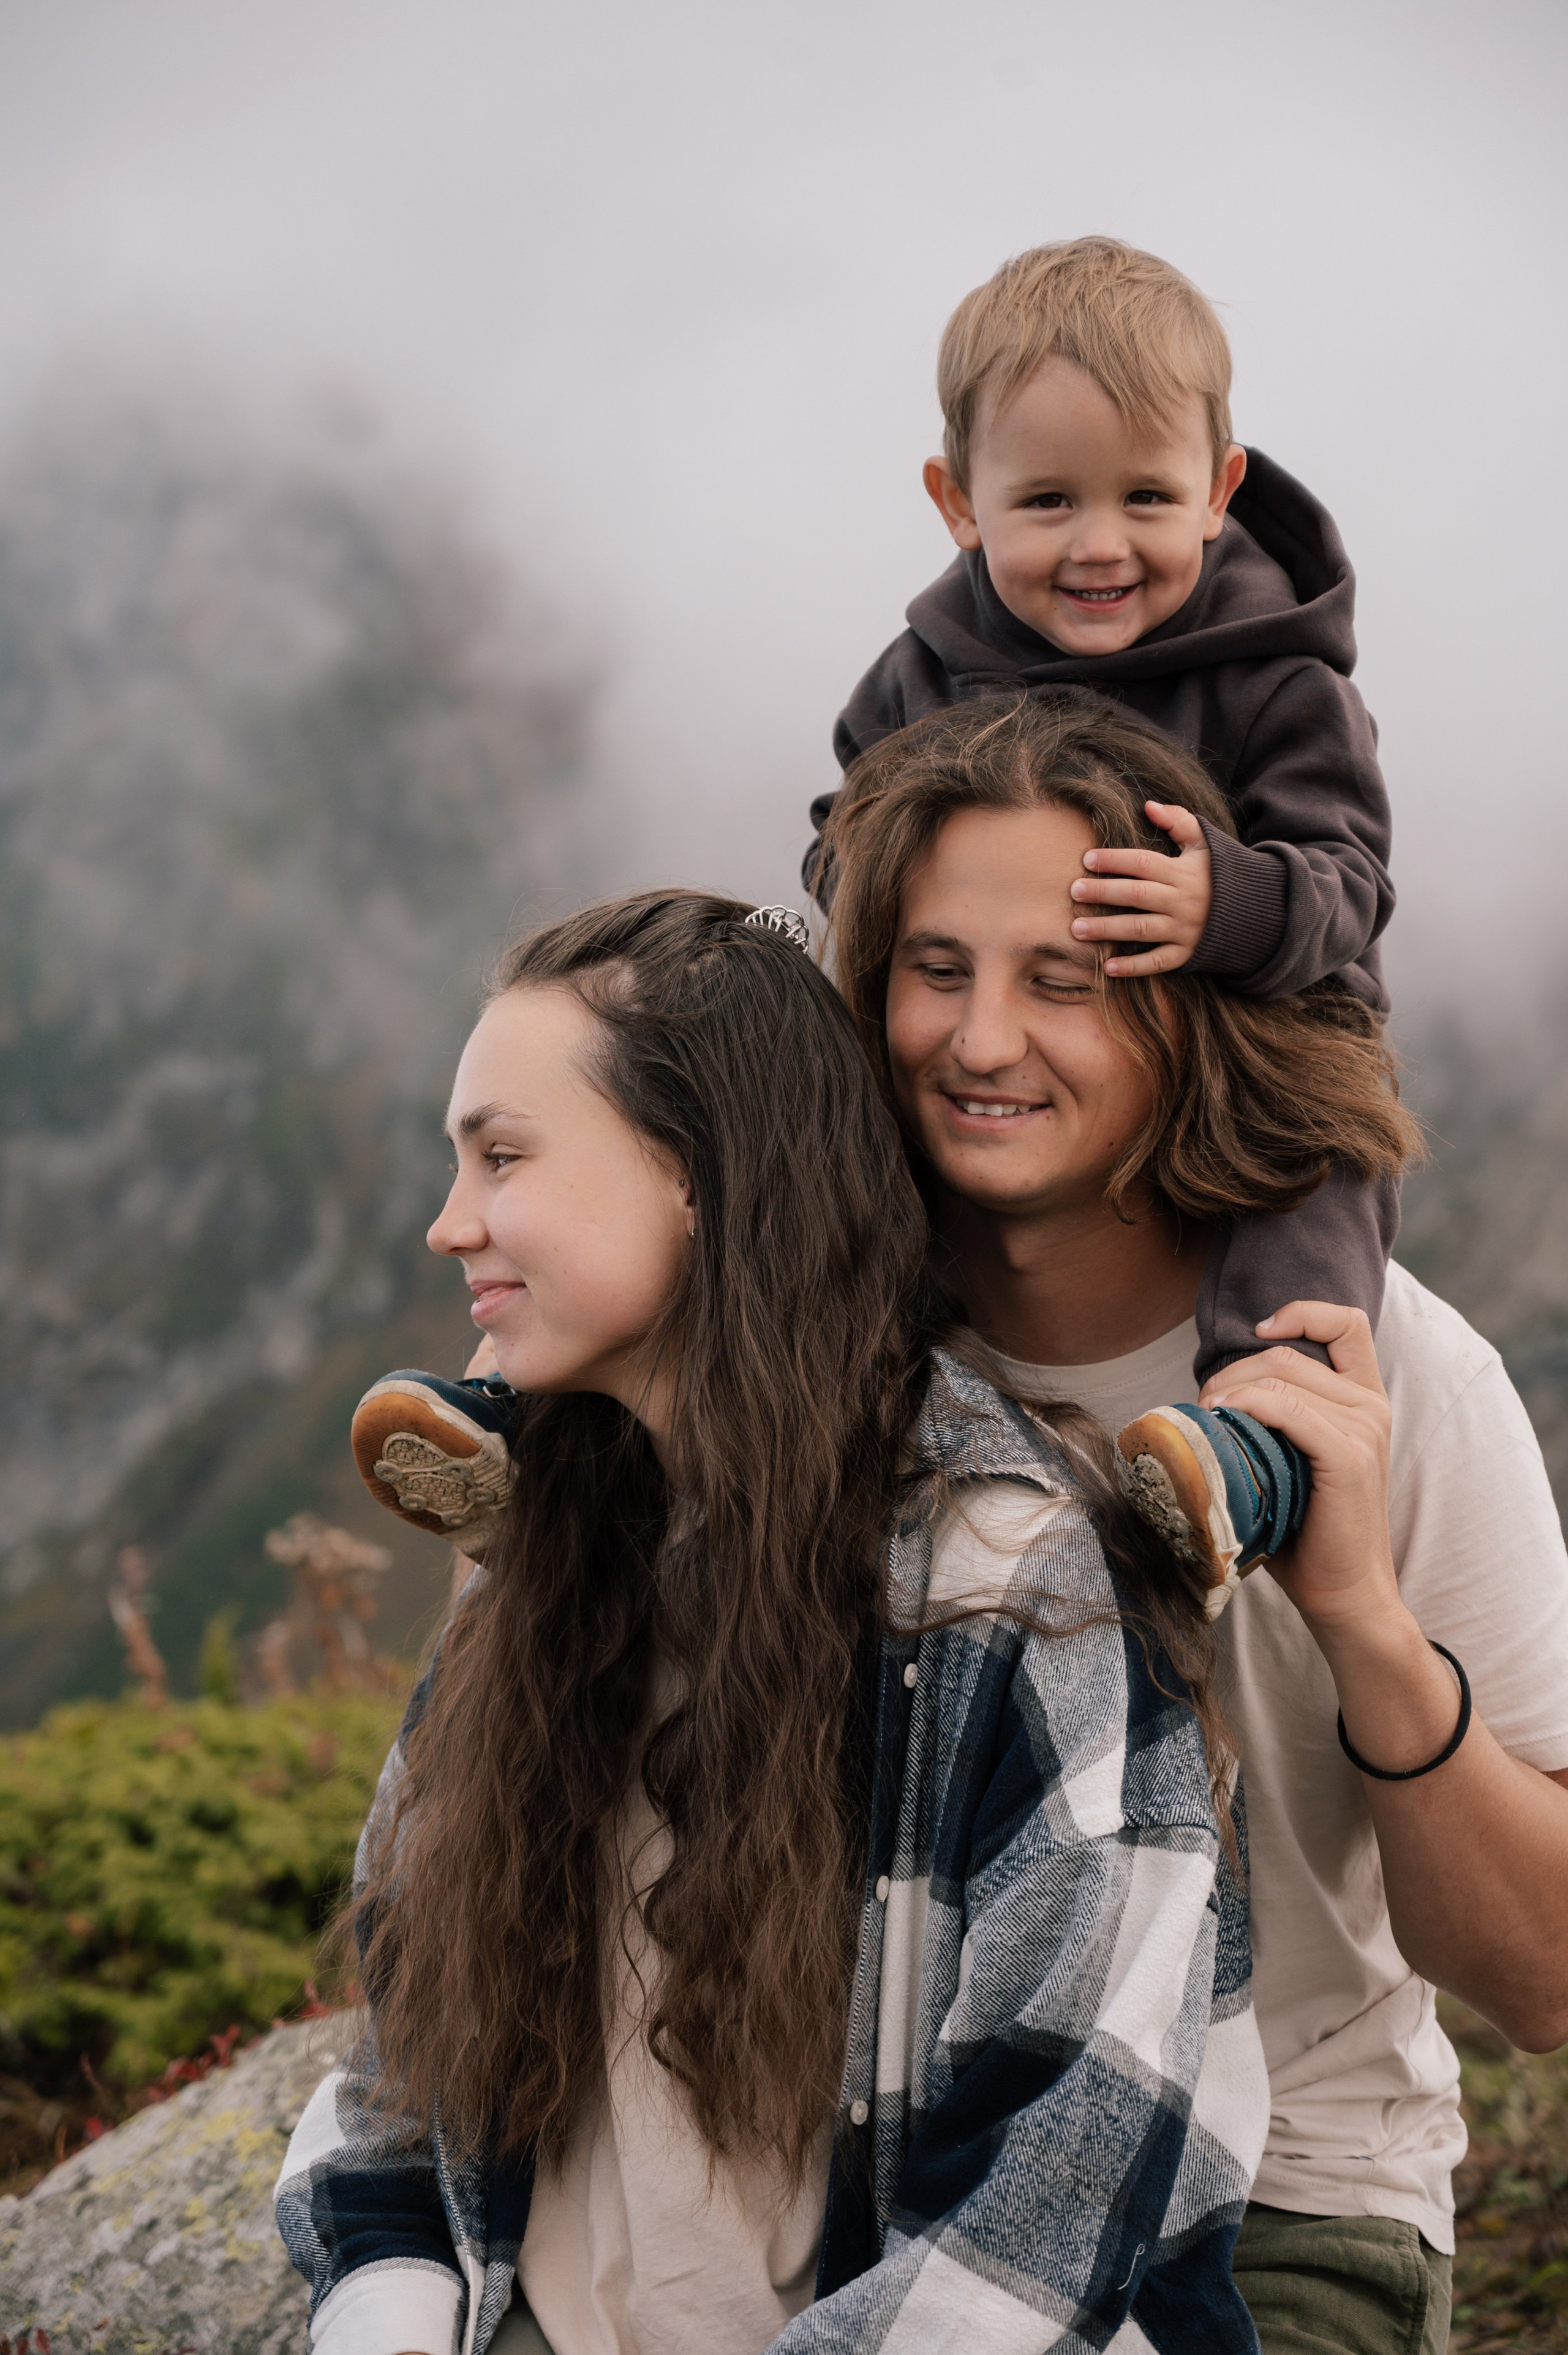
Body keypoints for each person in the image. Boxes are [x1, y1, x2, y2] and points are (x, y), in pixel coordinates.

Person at [274, 888, 1268, 2355]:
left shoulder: (1014, 1586)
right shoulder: (535, 1559)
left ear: (695, 1172)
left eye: (502, 1154)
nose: (449, 1221)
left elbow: (1055, 2201)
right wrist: (389, 2317)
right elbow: (396, 2084)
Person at [821, 692, 1568, 2355]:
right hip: (892, 2177)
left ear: (1189, 1007)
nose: (981, 1040)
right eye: (936, 969)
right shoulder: (826, 1360)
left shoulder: (1385, 1373)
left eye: (1065, 981)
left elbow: (1538, 1977)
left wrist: (1361, 1614)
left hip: (1283, 2204)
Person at [805, 236, 1398, 1533]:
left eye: (1144, 496)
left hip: (1266, 1029)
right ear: (957, 502)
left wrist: (1226, 904)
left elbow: (1351, 879)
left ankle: (1255, 1445)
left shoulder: (1278, 679)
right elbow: (843, 823)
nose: (1099, 545)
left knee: (1308, 1185)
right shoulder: (921, 673)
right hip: (1016, 1029)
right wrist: (863, 885)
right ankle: (575, 1401)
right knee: (782, 1128)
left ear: (1218, 488)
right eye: (1046, 502)